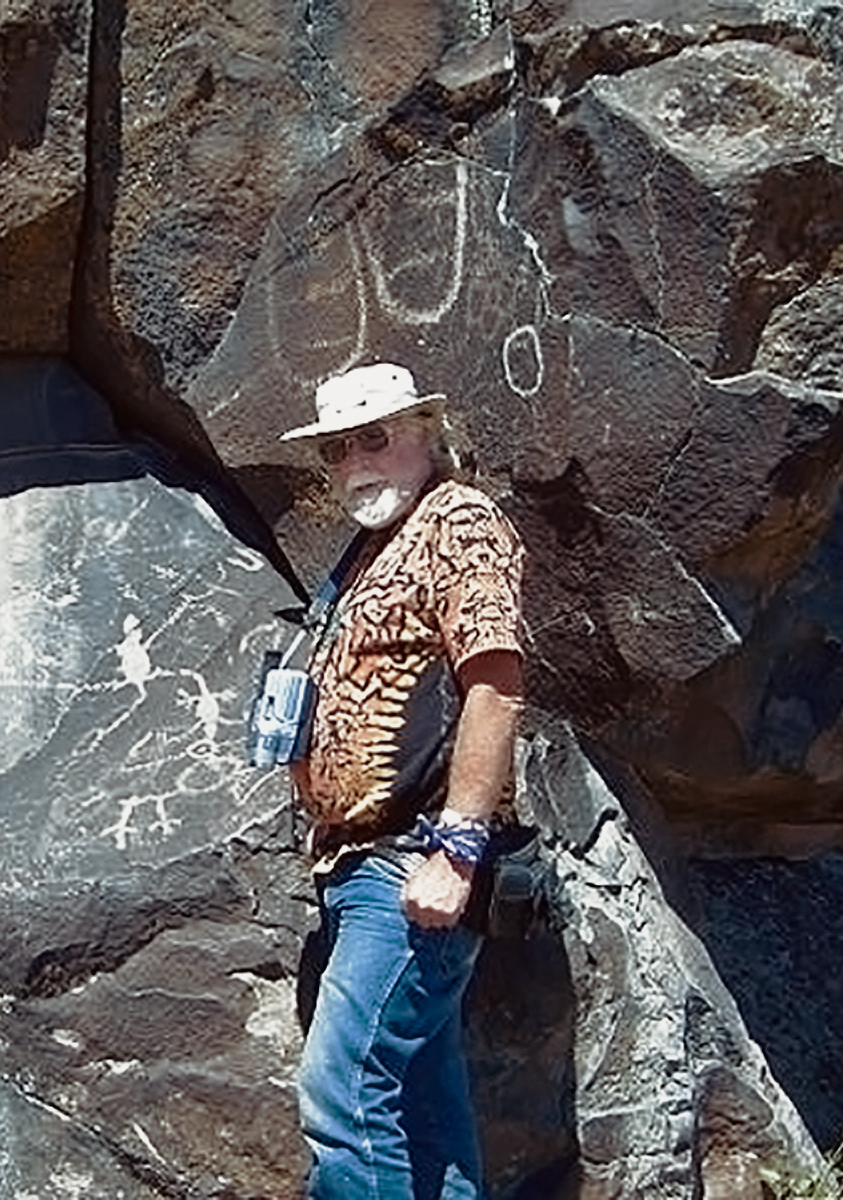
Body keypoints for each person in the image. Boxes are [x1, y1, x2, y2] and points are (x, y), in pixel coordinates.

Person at [280, 362, 525, 1200]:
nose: (356, 461)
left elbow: (494, 681)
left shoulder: (457, 520)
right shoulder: (368, 552)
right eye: (339, 448)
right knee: (424, 1113)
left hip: (413, 860)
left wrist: (457, 847)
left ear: (426, 430)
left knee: (341, 1089)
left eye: (375, 437)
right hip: (357, 865)